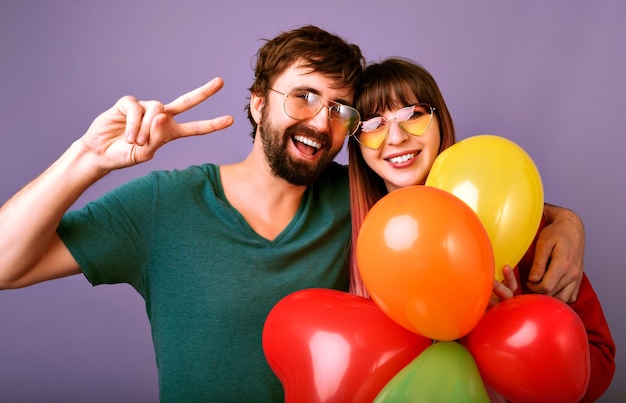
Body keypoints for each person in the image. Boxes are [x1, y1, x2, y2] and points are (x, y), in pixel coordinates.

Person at [0, 26, 586, 401]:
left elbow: (451, 200)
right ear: (258, 103)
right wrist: (86, 160)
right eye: (303, 95)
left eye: (339, 109)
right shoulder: (162, 204)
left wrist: (561, 220)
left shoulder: (359, 198)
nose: (320, 121)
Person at [347, 57, 615, 402]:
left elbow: (598, 362)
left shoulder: (515, 218)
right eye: (373, 124)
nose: (396, 137)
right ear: (357, 142)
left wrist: (507, 324)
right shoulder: (349, 229)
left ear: (440, 120)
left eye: (413, 114)